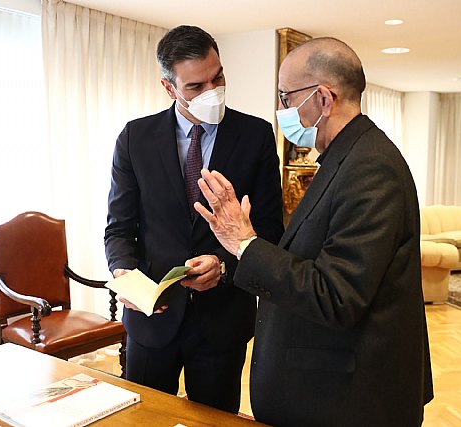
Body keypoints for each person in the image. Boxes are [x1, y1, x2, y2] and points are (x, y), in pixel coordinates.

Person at [194, 37, 434, 426]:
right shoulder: (346, 157)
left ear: (323, 99)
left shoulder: (370, 167)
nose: (282, 110)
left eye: (286, 97)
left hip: (350, 399)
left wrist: (245, 243)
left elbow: (338, 295)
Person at [103, 25, 284, 413]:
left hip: (222, 319)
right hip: (153, 317)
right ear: (169, 88)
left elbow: (270, 230)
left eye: (217, 77)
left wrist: (223, 263)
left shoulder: (256, 136)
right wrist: (124, 276)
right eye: (195, 86)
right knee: (146, 420)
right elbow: (119, 228)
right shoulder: (134, 139)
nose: (211, 91)